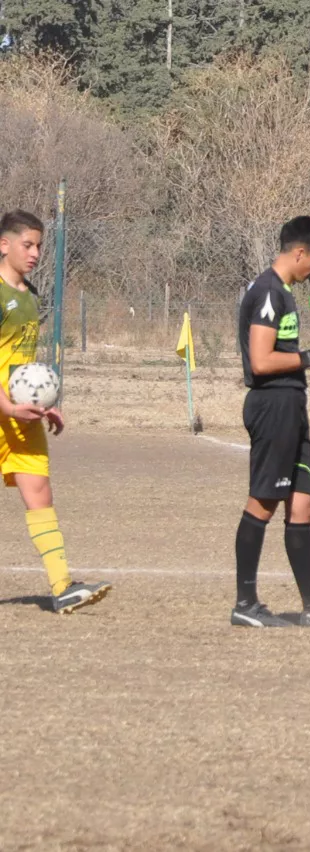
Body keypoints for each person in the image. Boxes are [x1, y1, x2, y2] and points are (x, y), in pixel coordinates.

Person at [233, 216, 310, 628]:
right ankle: (245, 604)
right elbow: (260, 360)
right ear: (299, 252)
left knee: (303, 503)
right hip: (273, 407)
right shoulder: (269, 290)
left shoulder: (283, 291)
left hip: (292, 402)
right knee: (265, 501)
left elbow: (280, 356)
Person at [0, 210, 110, 613]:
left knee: (39, 492)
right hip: (4, 411)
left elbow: (23, 366)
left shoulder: (31, 297)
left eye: (39, 245)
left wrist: (45, 405)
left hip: (19, 417)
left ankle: (62, 586)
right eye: (27, 245)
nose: (35, 253)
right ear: (3, 244)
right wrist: (8, 406)